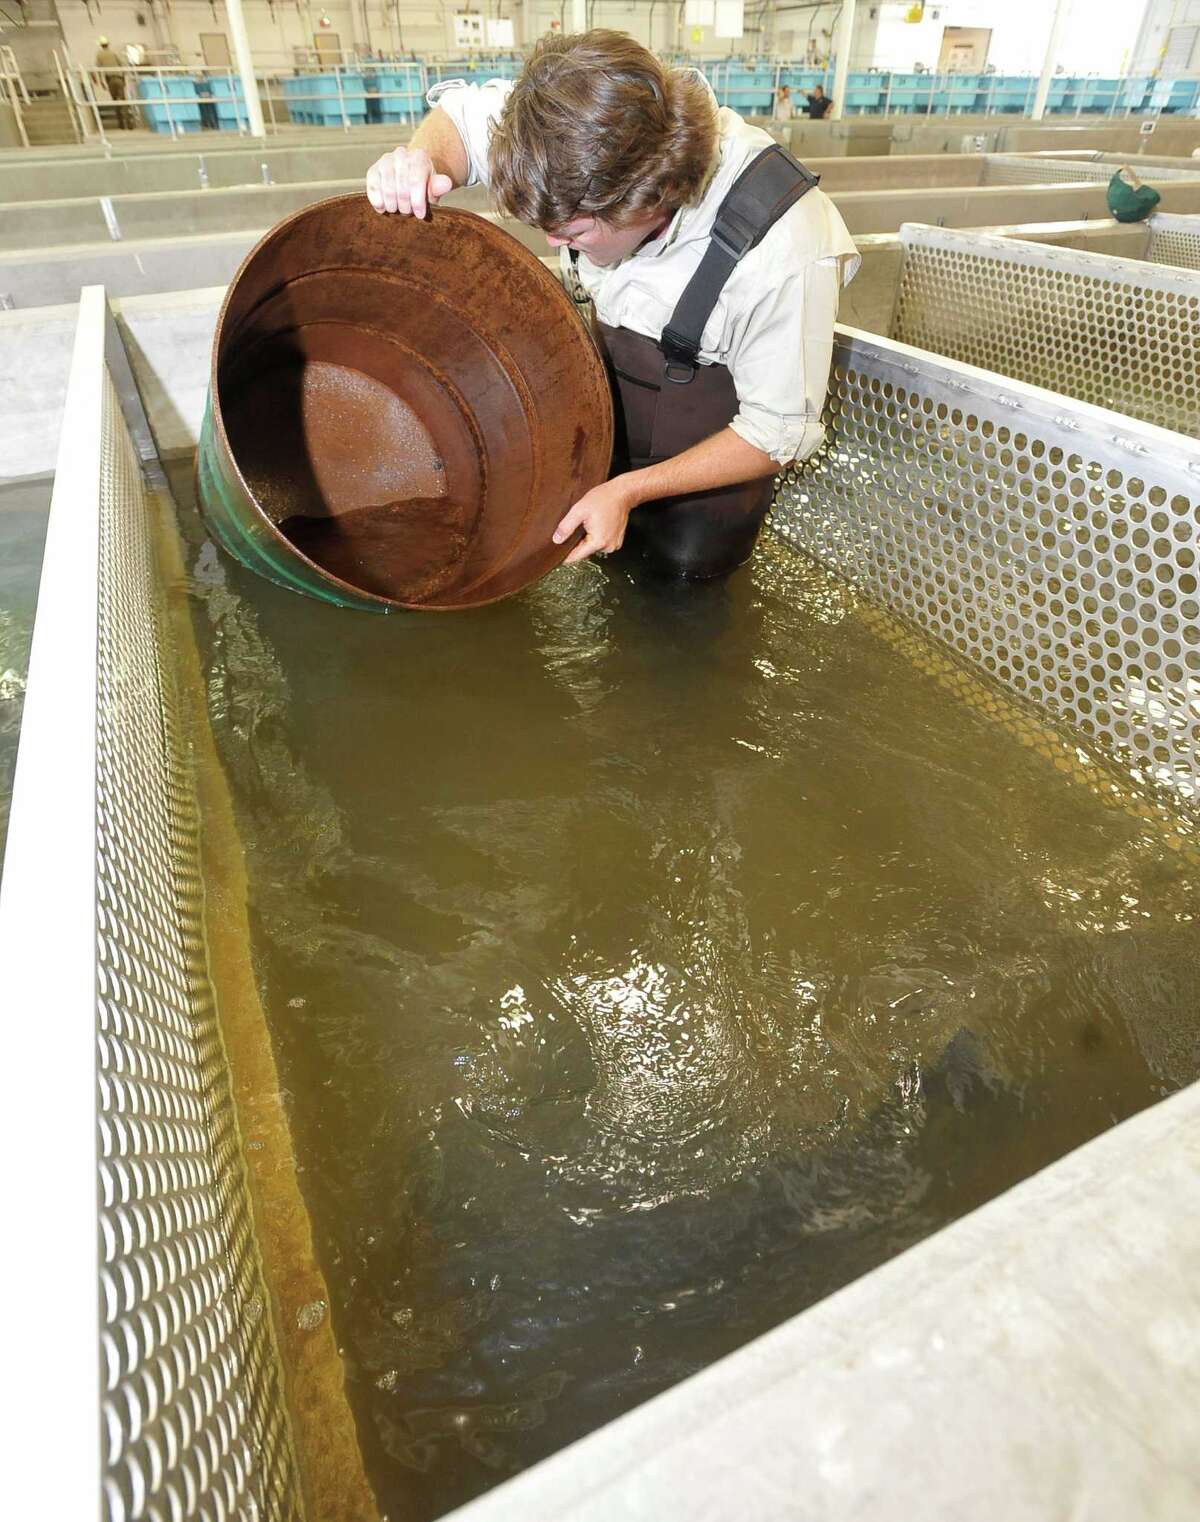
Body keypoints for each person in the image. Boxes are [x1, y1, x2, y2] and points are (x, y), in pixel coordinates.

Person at [366, 31, 858, 579]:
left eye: (572, 231)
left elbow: (779, 433)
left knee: (684, 605)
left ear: (651, 197)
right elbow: (459, 119)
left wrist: (628, 491)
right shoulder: (564, 121)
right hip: (605, 435)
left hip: (704, 489)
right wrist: (418, 160)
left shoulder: (782, 246)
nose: (554, 245)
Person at [94, 36, 131, 130]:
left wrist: (101, 82)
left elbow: (98, 68)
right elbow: (122, 64)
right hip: (119, 78)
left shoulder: (99, 55)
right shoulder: (114, 53)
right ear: (108, 44)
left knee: (115, 101)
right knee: (124, 101)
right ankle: (129, 124)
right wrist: (124, 78)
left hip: (110, 80)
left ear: (101, 45)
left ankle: (121, 124)